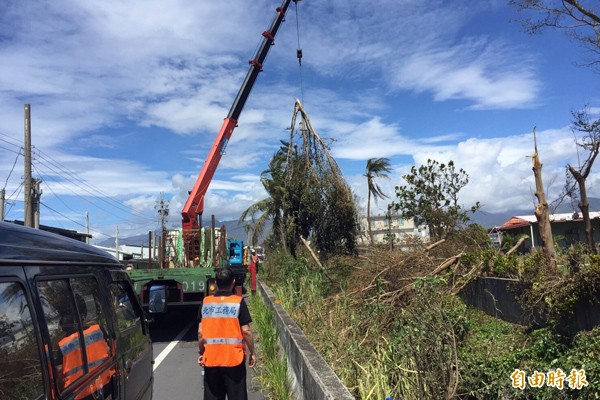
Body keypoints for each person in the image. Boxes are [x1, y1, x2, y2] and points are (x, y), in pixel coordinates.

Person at [198, 268, 256, 400]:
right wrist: (252, 352)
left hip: (211, 360)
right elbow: (246, 331)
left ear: (216, 283)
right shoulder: (238, 302)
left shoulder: (206, 303)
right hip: (234, 360)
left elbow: (200, 333)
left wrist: (202, 353)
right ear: (233, 282)